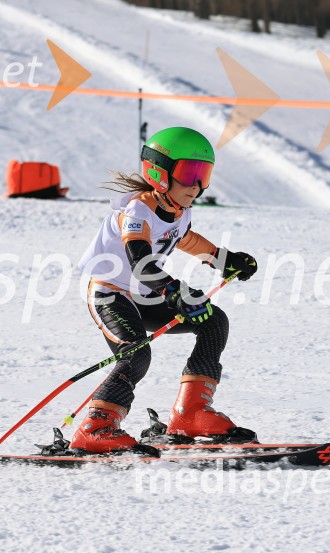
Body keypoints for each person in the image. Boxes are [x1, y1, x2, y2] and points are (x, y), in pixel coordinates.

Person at [73, 127, 258, 453]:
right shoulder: (137, 211)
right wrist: (176, 292)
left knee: (214, 322)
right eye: (189, 174)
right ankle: (95, 427)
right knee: (135, 353)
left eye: (204, 174)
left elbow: (183, 239)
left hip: (145, 295)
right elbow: (141, 260)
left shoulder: (179, 210)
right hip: (110, 293)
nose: (198, 186)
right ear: (159, 173)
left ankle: (191, 414)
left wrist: (222, 259)